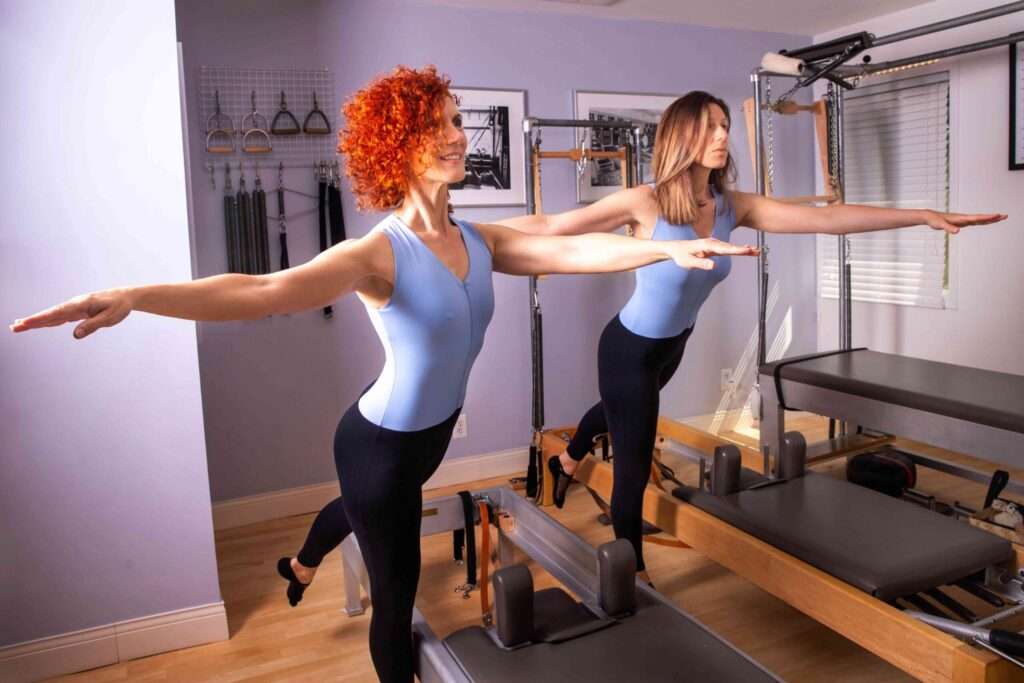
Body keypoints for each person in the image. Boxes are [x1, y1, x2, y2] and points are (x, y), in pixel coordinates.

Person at [10, 68, 758, 683]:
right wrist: (137, 297)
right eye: (439, 125)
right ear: (399, 145)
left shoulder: (474, 236)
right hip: (375, 444)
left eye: (457, 119)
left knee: (362, 513)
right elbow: (261, 289)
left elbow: (570, 254)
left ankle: (301, 564)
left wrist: (664, 253)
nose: (459, 134)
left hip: (419, 443)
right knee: (394, 597)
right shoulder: (378, 252)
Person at [498, 90, 1007, 584]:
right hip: (628, 347)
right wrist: (460, 235)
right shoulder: (645, 202)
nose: (723, 136)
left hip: (673, 345)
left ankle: (565, 458)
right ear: (683, 136)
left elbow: (825, 221)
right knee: (632, 464)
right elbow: (551, 224)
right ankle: (633, 577)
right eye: (712, 127)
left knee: (617, 412)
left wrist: (920, 216)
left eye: (725, 126)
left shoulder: (729, 206)